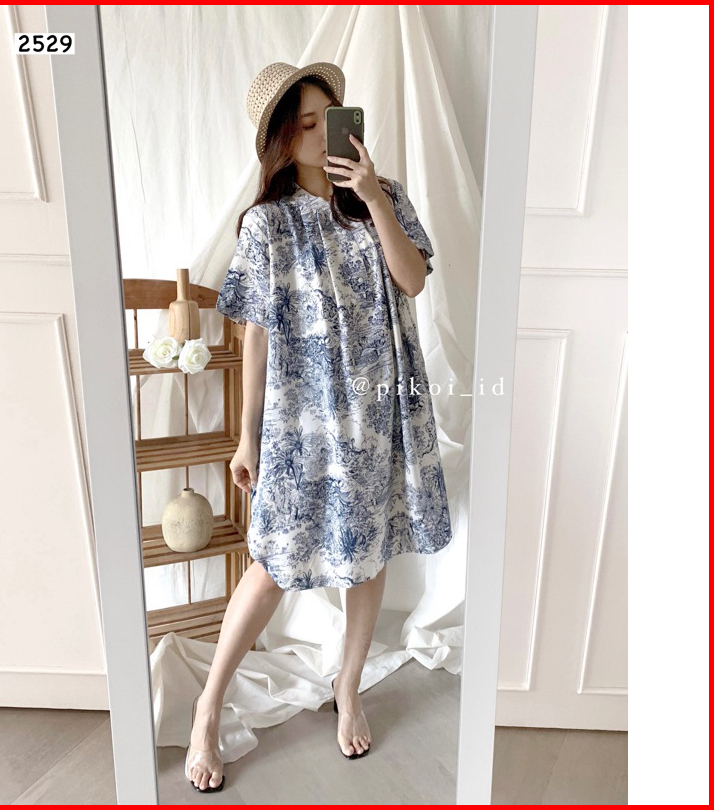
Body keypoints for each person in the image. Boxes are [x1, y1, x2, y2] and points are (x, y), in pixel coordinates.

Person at [185, 61, 453, 793]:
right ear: (281, 138)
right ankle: (208, 708)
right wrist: (247, 436)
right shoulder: (267, 224)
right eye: (303, 124)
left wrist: (374, 198)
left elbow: (413, 280)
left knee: (368, 552)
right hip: (301, 419)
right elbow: (257, 335)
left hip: (379, 408)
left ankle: (348, 685)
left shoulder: (383, 196)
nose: (319, 132)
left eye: (326, 116)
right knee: (273, 562)